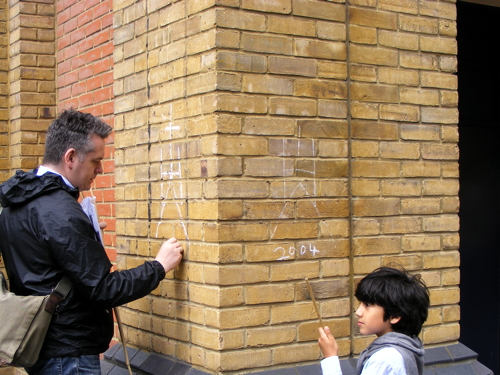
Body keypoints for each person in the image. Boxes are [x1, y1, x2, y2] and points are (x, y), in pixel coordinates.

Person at [0, 109, 184, 375]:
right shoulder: (61, 212)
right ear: (71, 157)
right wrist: (158, 266)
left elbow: (44, 257)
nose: (100, 169)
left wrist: (79, 236)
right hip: (69, 355)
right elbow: (104, 289)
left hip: (41, 346)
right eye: (96, 161)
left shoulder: (19, 201)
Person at [318, 267, 429, 375]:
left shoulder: (384, 360)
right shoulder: (408, 346)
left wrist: (330, 357)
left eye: (367, 305)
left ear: (394, 316)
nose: (358, 312)